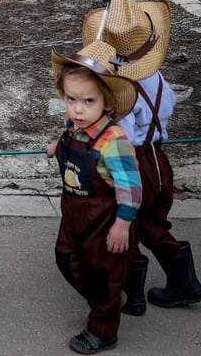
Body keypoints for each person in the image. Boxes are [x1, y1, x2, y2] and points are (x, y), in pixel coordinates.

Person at [83, 0, 201, 312]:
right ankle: (185, 282)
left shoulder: (122, 89)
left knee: (128, 227)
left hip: (133, 161)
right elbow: (169, 107)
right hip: (159, 160)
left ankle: (132, 296)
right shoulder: (157, 77)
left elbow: (123, 136)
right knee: (155, 225)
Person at [46, 40, 141, 355]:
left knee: (103, 275)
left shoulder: (114, 142)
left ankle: (103, 329)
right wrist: (55, 147)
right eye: (71, 99)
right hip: (73, 214)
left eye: (88, 101)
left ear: (107, 101)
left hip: (104, 221)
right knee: (66, 259)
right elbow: (67, 143)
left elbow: (131, 187)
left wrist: (123, 224)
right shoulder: (72, 126)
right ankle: (111, 298)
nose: (78, 109)